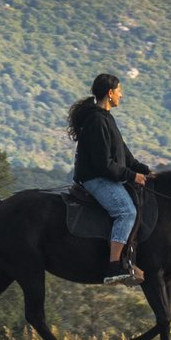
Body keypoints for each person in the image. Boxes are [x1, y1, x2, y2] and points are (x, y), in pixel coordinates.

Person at [68, 71, 149, 282]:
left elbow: (125, 156)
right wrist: (132, 176)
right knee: (126, 212)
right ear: (110, 93)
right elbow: (104, 164)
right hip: (96, 179)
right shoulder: (97, 121)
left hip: (108, 177)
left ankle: (127, 258)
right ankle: (114, 267)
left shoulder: (107, 118)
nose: (121, 95)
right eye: (119, 91)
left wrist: (146, 171)